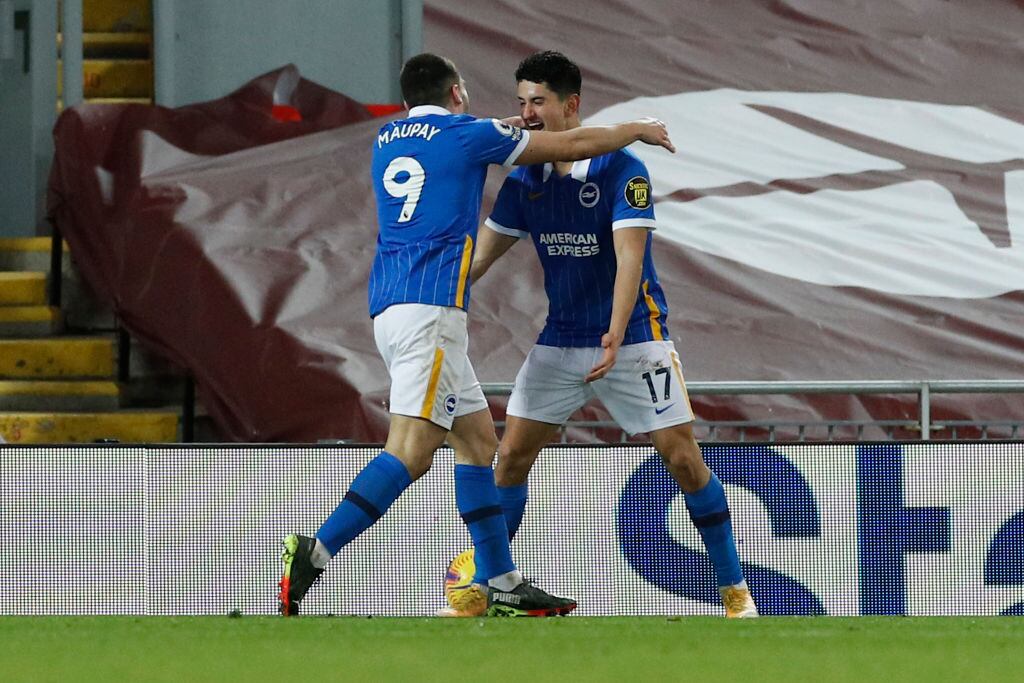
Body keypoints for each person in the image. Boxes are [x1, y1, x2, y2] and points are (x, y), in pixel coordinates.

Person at [277, 52, 676, 618]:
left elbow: (466, 142)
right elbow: (569, 147)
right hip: (431, 310)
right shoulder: (468, 135)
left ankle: (501, 581)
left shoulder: (388, 137)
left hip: (388, 304)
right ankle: (315, 552)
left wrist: (507, 127)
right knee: (411, 453)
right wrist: (635, 129)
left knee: (477, 444)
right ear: (458, 91)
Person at [467, 51, 758, 618]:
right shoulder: (523, 178)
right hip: (560, 340)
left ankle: (734, 592)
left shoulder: (623, 170)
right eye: (521, 102)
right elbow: (483, 254)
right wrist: (440, 296)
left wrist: (615, 333)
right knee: (510, 458)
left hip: (635, 339)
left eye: (539, 103)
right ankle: (487, 588)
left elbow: (631, 259)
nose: (527, 114)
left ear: (571, 106)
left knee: (681, 459)